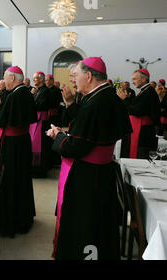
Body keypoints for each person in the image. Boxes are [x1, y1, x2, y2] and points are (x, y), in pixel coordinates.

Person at [46, 57, 132, 260]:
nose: (73, 80)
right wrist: (69, 104)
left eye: (75, 75)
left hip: (87, 176)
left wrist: (58, 136)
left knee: (85, 223)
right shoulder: (106, 95)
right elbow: (89, 129)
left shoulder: (96, 102)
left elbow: (76, 146)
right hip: (101, 172)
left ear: (89, 76)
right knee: (100, 222)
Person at [0, 66, 37, 237]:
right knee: (22, 179)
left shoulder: (15, 95)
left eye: (5, 77)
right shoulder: (25, 92)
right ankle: (24, 218)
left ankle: (12, 222)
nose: (4, 80)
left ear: (12, 78)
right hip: (23, 142)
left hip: (13, 145)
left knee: (11, 179)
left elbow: (1, 120)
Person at [117, 69, 161, 159]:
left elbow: (137, 111)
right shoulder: (145, 91)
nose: (132, 82)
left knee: (140, 158)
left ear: (144, 79)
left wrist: (125, 99)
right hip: (140, 129)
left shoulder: (149, 92)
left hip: (142, 132)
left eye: (134, 79)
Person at [30, 72, 53, 178]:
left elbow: (40, 105)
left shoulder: (46, 91)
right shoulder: (37, 90)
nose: (34, 80)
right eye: (33, 78)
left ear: (42, 79)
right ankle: (34, 168)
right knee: (34, 143)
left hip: (42, 122)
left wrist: (31, 100)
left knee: (40, 145)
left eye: (36, 78)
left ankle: (40, 170)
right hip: (35, 120)